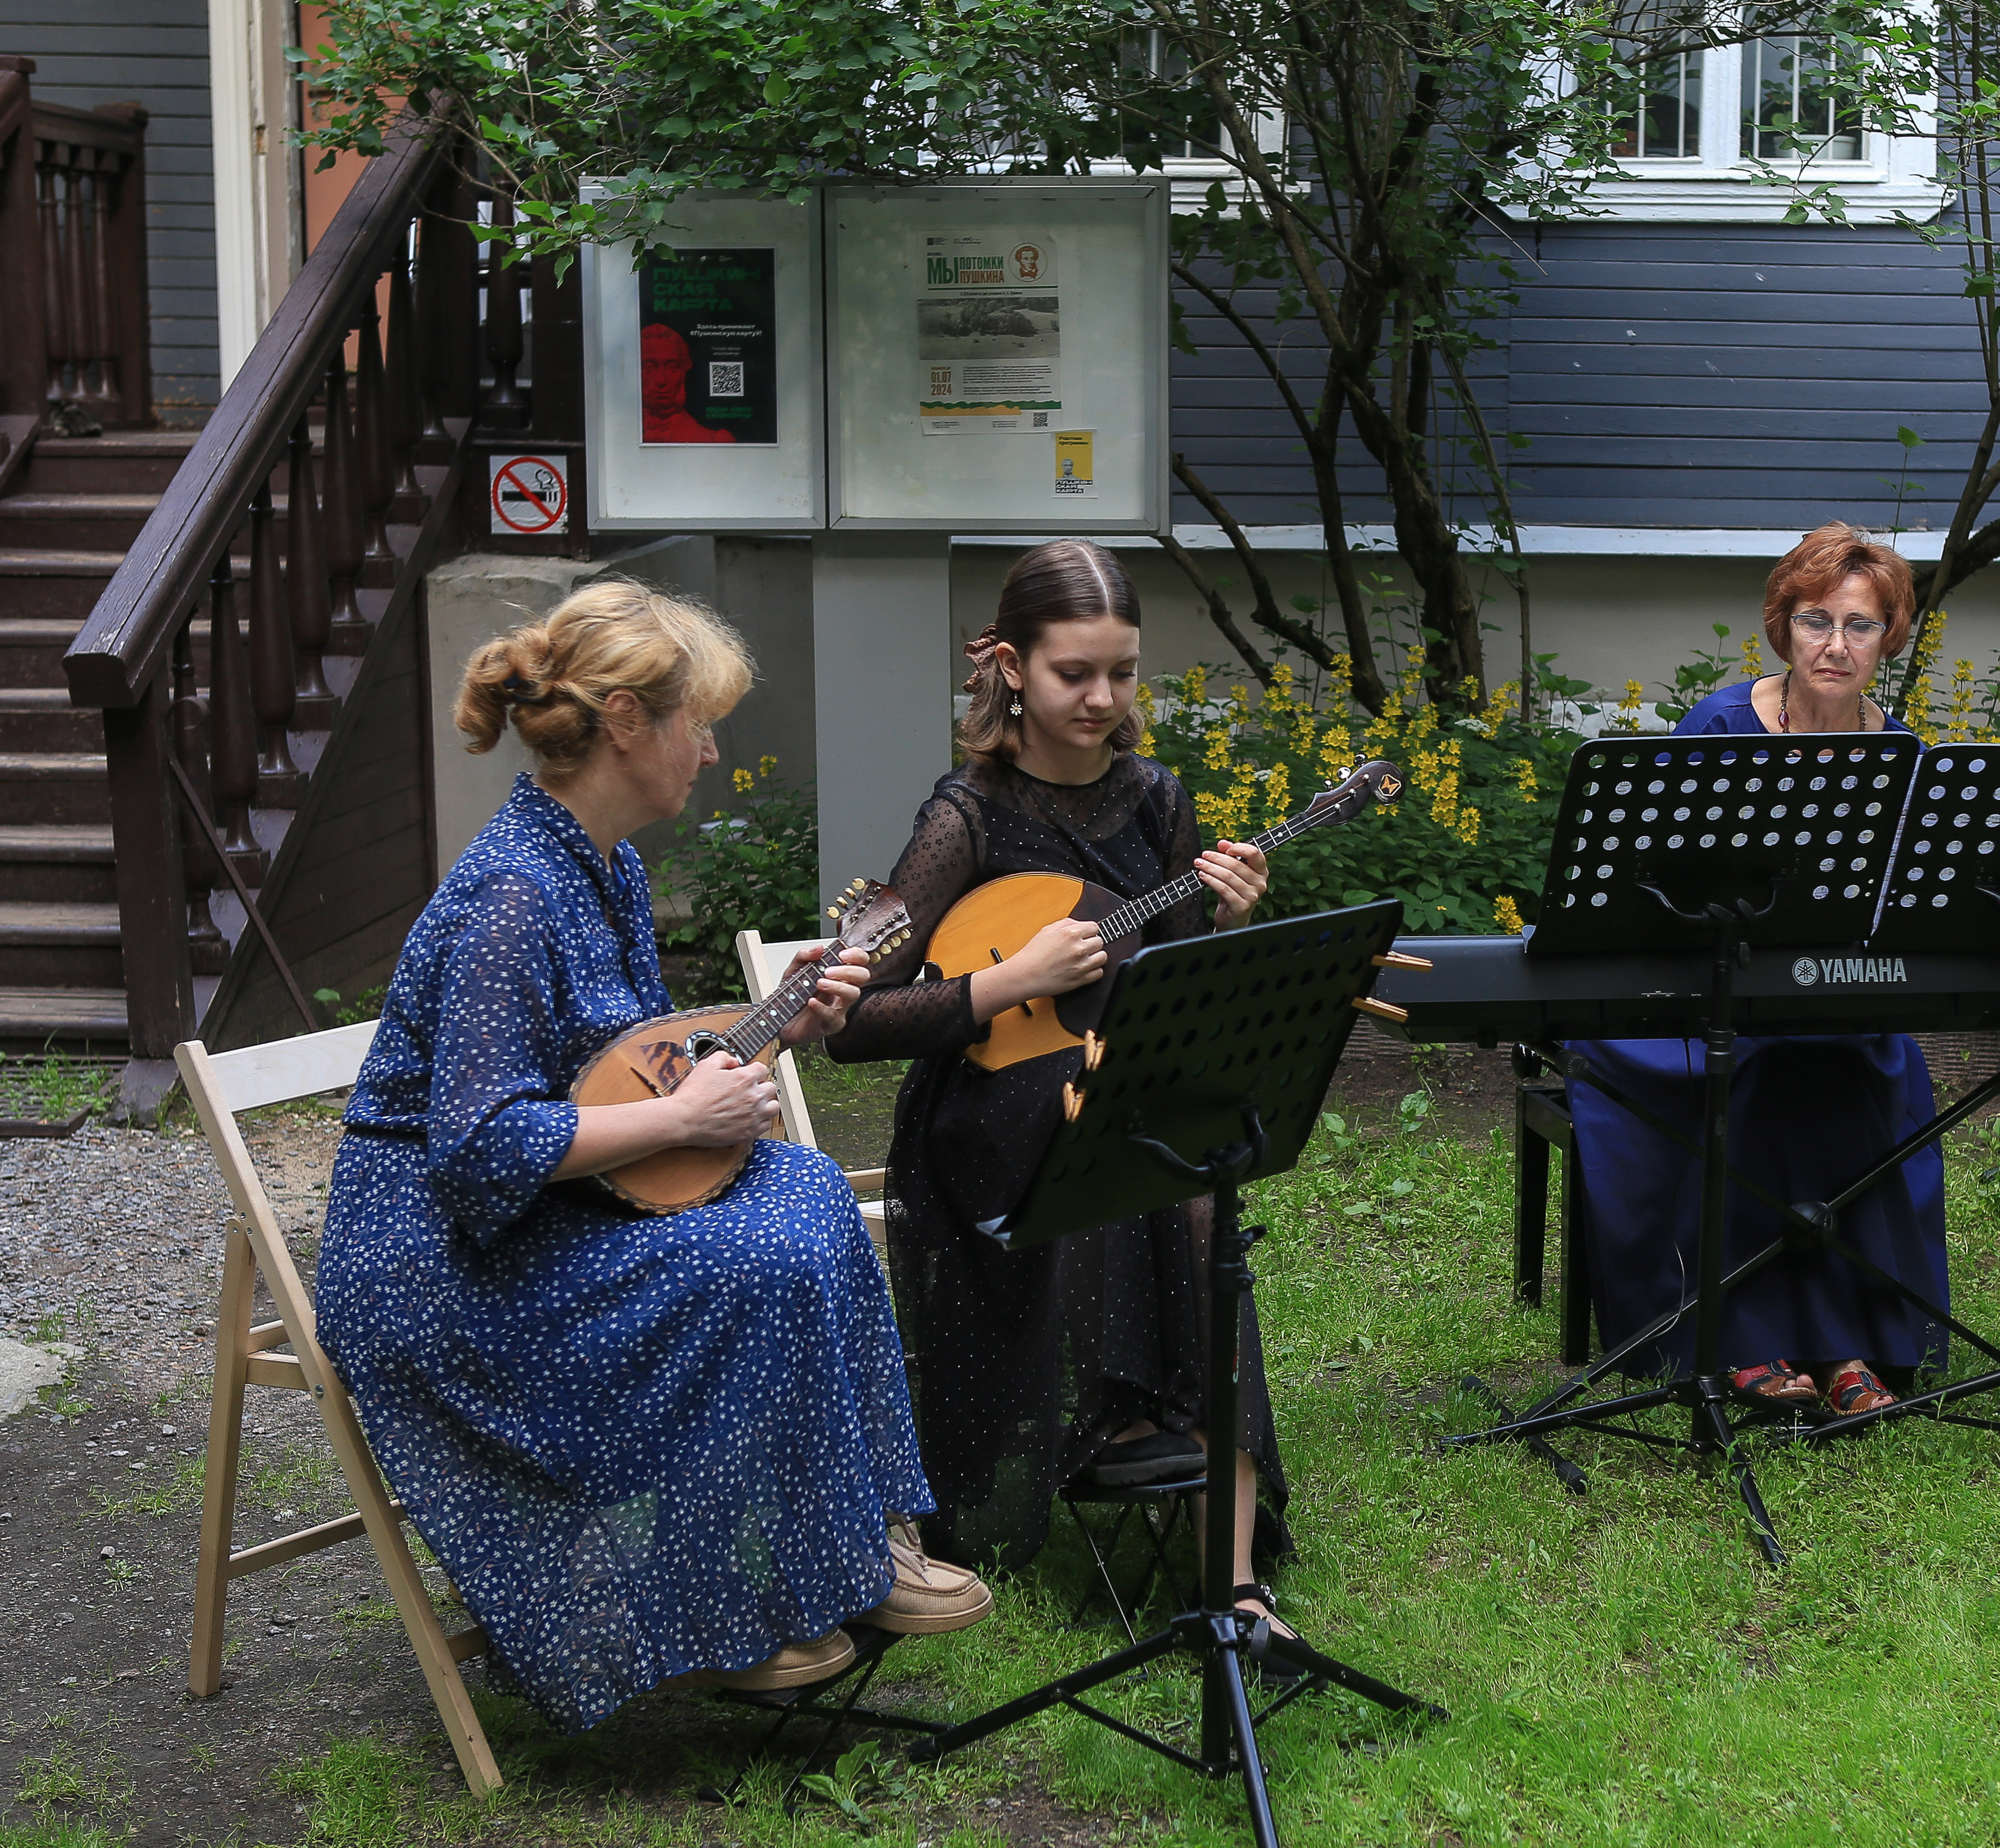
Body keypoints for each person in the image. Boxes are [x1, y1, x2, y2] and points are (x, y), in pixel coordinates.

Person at [314, 582, 989, 1733]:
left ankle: (854, 1546)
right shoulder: (513, 896)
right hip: (441, 1265)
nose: (714, 747)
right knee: (751, 1258)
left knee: (809, 1190)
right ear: (627, 722)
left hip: (545, 1208)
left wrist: (766, 1024)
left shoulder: (604, 863)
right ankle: (733, 1609)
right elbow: (479, 1152)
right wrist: (684, 1125)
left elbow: (611, 1064)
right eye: (699, 720)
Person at [821, 541, 1297, 1641]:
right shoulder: (968, 816)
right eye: (1075, 673)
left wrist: (1228, 920)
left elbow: (1178, 987)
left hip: (1112, 1087)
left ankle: (1231, 1572)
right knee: (1084, 1129)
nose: (1103, 698)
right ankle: (1118, 1417)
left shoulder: (1155, 800)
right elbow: (851, 1025)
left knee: (1192, 1171)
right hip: (986, 1117)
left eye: (1123, 673)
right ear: (1012, 670)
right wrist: (1007, 982)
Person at [1562, 523, 1950, 1418]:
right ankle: (1737, 1333)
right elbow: (1646, 885)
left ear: (1888, 637)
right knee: (1765, 1066)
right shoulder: (1723, 723)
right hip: (1692, 992)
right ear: (1783, 627)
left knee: (1847, 1059)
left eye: (1860, 625)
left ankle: (1852, 1339)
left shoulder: (1902, 750)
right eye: (1816, 621)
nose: (1836, 645)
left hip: (1833, 993)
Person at [640, 325, 732, 444]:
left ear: (683, 373)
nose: (661, 381)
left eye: (672, 368)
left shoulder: (715, 440)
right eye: (649, 368)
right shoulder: (614, 434)